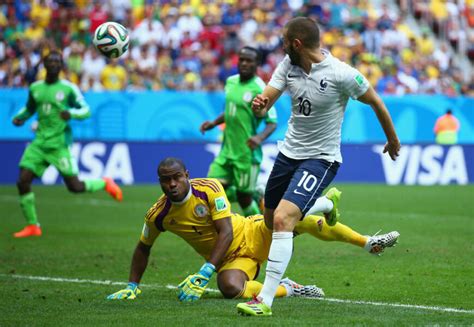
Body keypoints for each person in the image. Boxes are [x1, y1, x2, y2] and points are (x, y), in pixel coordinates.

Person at [237, 17, 401, 316]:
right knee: (271, 220)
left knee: (286, 219)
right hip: (289, 153)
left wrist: (392, 139)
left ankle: (265, 301)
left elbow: (377, 101)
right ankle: (323, 203)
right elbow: (268, 99)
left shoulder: (342, 74)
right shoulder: (288, 66)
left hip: (322, 158)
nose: (282, 45)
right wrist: (261, 104)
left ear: (296, 44)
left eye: (285, 41)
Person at [106, 157, 399, 302]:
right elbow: (143, 247)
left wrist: (204, 271)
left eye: (176, 178)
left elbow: (226, 232)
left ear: (186, 176)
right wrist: (133, 286)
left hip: (249, 232)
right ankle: (291, 288)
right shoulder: (158, 214)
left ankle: (367, 242)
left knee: (297, 221)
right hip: (233, 261)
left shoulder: (208, 189)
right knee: (230, 288)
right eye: (164, 180)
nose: (171, 185)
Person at [12, 50, 123, 238]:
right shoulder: (35, 88)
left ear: (61, 66)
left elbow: (86, 110)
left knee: (75, 187)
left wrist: (71, 113)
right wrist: (20, 118)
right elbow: (30, 108)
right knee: (22, 181)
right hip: (39, 143)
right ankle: (33, 226)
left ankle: (104, 183)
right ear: (45, 65)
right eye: (50, 61)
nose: (54, 65)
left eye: (57, 62)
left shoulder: (68, 88)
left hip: (59, 144)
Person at [200, 46, 277, 216]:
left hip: (246, 154)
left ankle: (261, 232)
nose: (244, 63)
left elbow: (272, 122)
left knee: (244, 200)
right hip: (226, 151)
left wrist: (259, 137)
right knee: (210, 191)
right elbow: (230, 110)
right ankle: (255, 193)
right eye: (241, 59)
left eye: (249, 60)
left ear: (257, 64)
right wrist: (213, 123)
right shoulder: (231, 82)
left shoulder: (260, 88)